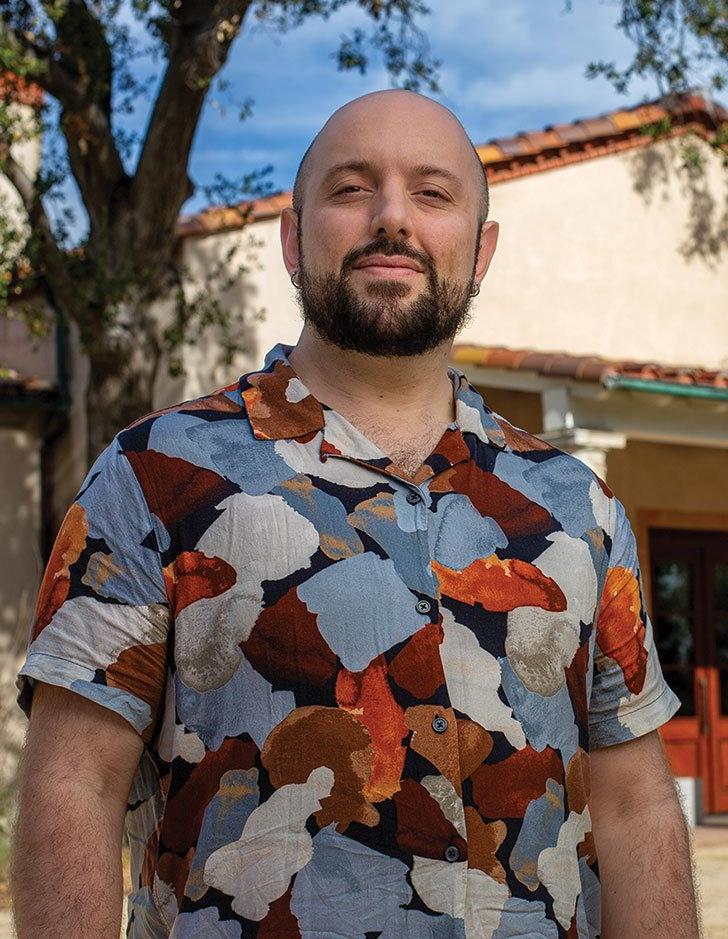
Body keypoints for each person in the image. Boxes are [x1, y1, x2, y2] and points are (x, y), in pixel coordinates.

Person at [12, 89, 699, 938]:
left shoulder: (578, 508)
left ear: (480, 253)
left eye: (433, 193)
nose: (391, 218)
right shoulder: (153, 476)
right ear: (294, 240)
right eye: (351, 187)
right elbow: (73, 786)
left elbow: (635, 806)